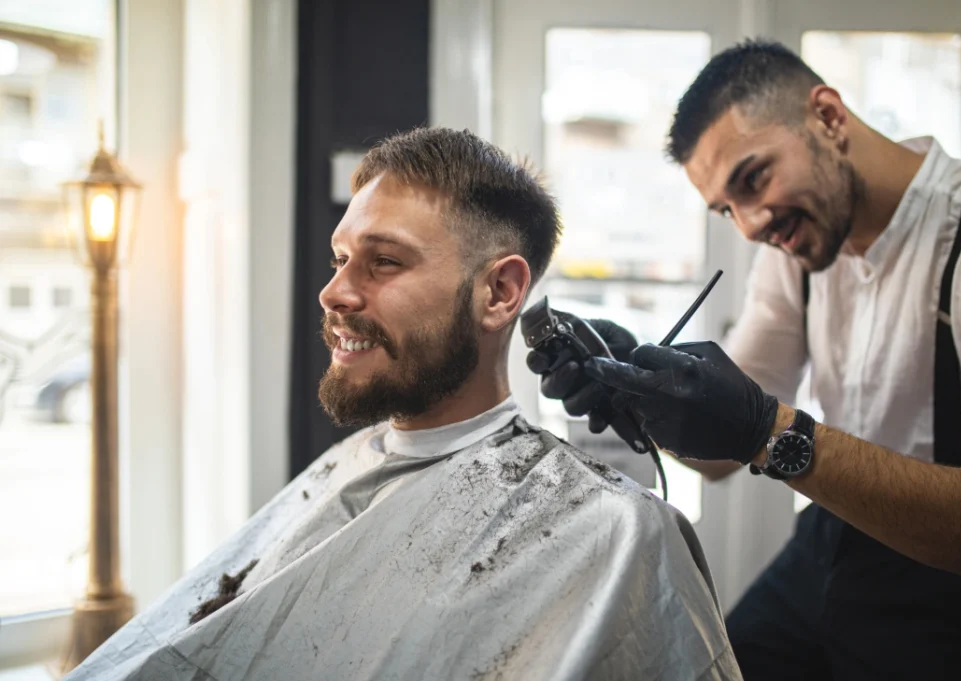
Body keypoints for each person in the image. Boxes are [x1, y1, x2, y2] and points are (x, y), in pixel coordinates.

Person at [65, 127, 741, 681]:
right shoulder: (347, 467)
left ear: (501, 293)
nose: (335, 292)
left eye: (383, 262)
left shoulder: (615, 534)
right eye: (339, 258)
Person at [530, 39, 961, 680]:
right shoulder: (802, 248)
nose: (751, 226)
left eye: (754, 179)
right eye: (726, 208)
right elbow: (717, 455)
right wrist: (639, 387)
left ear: (828, 117)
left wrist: (766, 431)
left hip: (950, 578)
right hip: (830, 536)